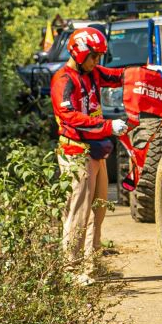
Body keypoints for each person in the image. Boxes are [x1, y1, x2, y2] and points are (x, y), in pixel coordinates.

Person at [50, 28, 131, 283]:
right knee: (78, 211)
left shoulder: (92, 72)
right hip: (76, 152)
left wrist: (147, 75)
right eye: (94, 56)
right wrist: (108, 126)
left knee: (99, 209)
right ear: (81, 53)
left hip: (97, 151)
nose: (98, 62)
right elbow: (69, 116)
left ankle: (91, 265)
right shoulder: (64, 80)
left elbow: (119, 76)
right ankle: (70, 270)